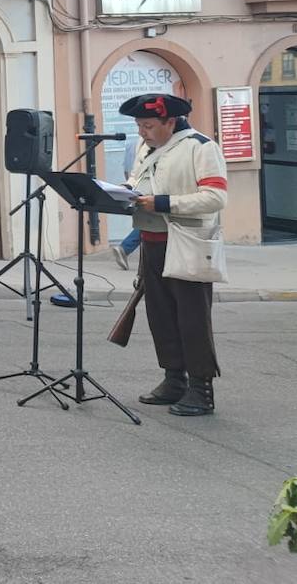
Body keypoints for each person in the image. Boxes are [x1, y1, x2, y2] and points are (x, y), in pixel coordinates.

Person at [120, 92, 228, 417]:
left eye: (148, 125)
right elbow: (138, 181)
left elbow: (215, 196)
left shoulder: (200, 146)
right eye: (139, 125)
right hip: (152, 241)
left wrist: (165, 202)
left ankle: (201, 389)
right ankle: (173, 380)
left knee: (192, 319)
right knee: (161, 316)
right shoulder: (146, 148)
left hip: (187, 243)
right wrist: (126, 193)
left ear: (169, 121)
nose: (142, 131)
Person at [111, 132, 143, 270]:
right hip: (147, 187)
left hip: (133, 186)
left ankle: (125, 248)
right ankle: (124, 248)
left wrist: (128, 186)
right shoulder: (154, 144)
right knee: (149, 221)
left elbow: (127, 171)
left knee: (144, 221)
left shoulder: (130, 144)